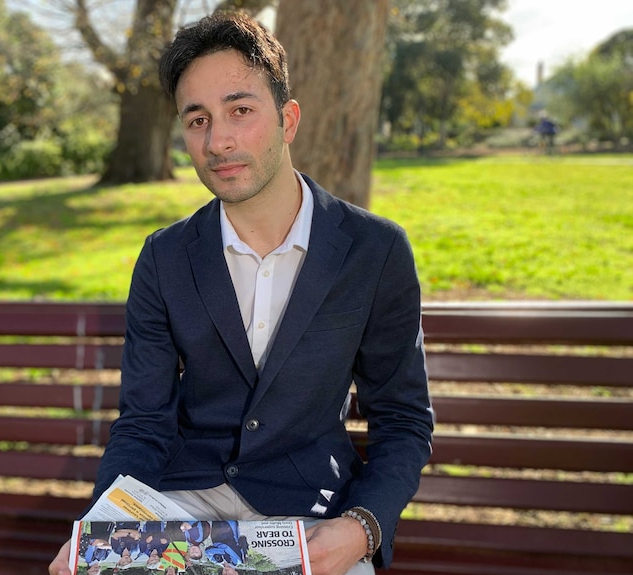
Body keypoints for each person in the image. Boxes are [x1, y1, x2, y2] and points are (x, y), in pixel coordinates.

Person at [50, 11, 433, 575]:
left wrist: (362, 529)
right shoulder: (164, 256)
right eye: (197, 119)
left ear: (288, 119)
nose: (218, 140)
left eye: (241, 110)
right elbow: (143, 422)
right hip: (181, 506)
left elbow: (402, 419)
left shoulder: (375, 250)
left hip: (311, 513)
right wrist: (101, 535)